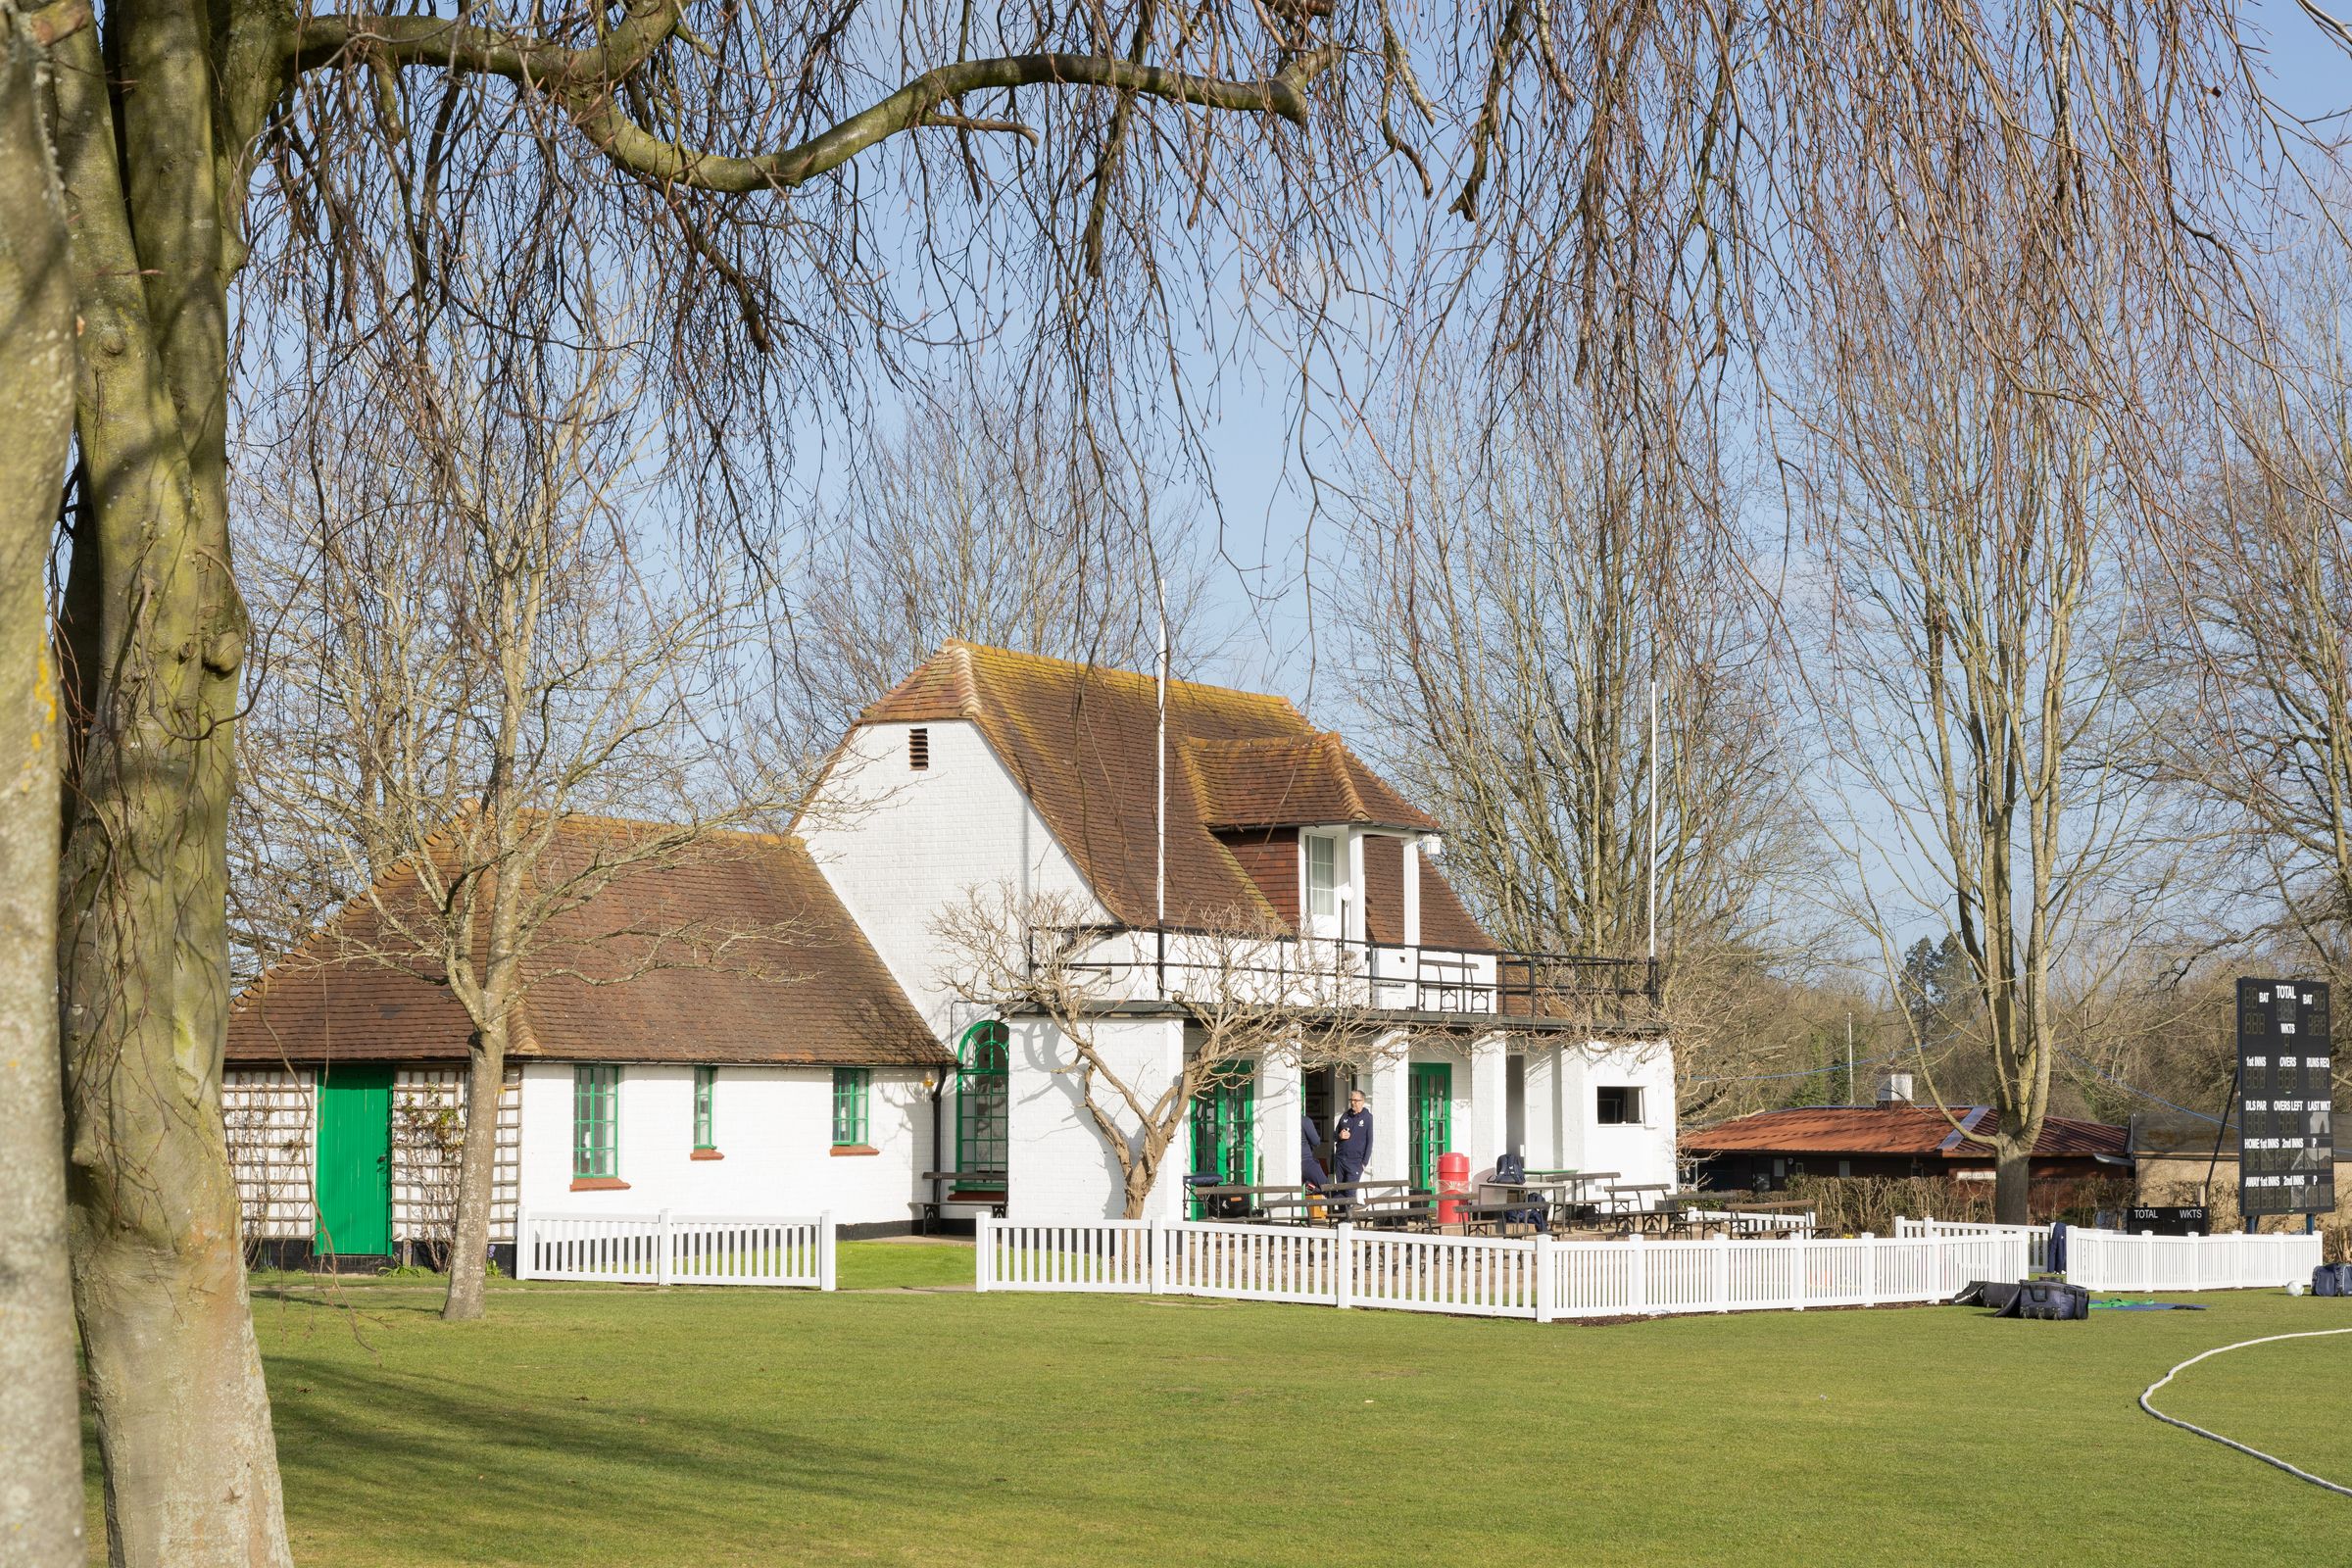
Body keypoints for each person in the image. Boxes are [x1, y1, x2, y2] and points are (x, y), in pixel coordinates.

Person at [1334, 1088, 1373, 1210]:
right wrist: (1339, 1136)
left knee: (1350, 1191)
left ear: (1362, 1101)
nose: (1353, 1103)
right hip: (1340, 1159)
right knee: (1340, 1190)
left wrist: (1364, 1163)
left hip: (1355, 1161)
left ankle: (1348, 1221)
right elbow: (1334, 1135)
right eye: (1351, 1100)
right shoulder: (1345, 1116)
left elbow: (1370, 1141)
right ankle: (1342, 1220)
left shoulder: (1367, 1118)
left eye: (1356, 1100)